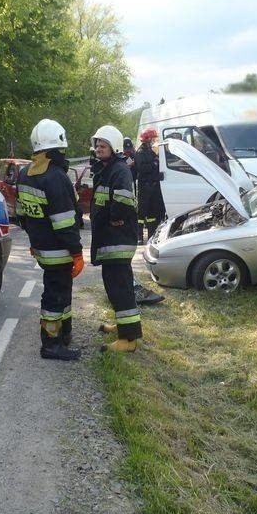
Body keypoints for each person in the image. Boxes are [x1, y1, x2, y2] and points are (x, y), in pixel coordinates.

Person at [16, 119, 84, 361]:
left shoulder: (25, 173)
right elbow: (65, 222)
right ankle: (51, 345)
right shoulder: (56, 176)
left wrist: (34, 241)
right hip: (60, 250)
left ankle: (64, 334)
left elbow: (22, 214)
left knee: (61, 292)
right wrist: (76, 252)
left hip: (42, 249)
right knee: (56, 296)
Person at [90, 124, 142, 353]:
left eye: (103, 145)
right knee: (116, 287)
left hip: (117, 239)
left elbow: (121, 200)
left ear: (114, 147)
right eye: (97, 145)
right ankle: (123, 327)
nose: (98, 148)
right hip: (111, 239)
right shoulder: (107, 168)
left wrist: (113, 219)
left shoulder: (119, 170)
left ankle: (128, 340)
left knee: (120, 288)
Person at [134, 127, 166, 243]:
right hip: (144, 187)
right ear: (147, 139)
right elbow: (143, 169)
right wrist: (155, 162)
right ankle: (139, 237)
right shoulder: (140, 153)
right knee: (141, 213)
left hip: (153, 187)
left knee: (153, 213)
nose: (154, 141)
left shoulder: (151, 152)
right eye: (153, 138)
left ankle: (151, 236)